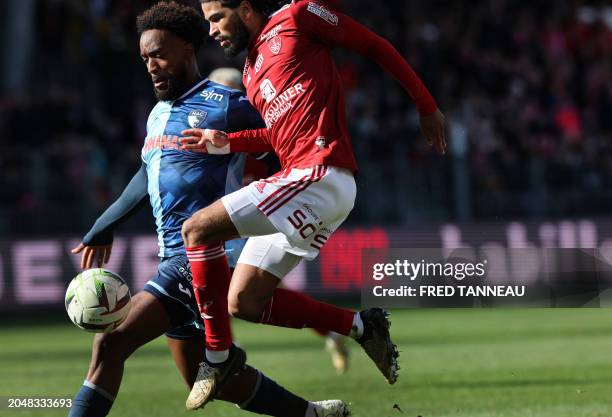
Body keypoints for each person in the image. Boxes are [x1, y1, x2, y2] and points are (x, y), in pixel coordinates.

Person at [67, 2, 348, 417]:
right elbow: (147, 177)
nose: (152, 66)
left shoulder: (227, 103)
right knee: (214, 380)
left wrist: (275, 183)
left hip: (207, 251)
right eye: (145, 58)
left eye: (160, 54)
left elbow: (288, 136)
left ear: (186, 49)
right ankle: (315, 415)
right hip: (176, 256)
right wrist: (104, 224)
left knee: (109, 343)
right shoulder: (158, 115)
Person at [179, 0, 444, 408]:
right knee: (243, 301)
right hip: (309, 182)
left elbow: (374, 45)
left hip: (319, 173)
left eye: (216, 18)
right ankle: (360, 327)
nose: (212, 30)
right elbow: (278, 136)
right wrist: (227, 143)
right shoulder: (250, 72)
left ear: (246, 9)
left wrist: (425, 105)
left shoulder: (298, 17)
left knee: (196, 229)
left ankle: (216, 356)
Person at [209, 66, 351, 375]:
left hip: (267, 214)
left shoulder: (266, 140)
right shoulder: (216, 142)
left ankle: (221, 355)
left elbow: (288, 173)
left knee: (241, 292)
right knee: (236, 292)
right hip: (237, 219)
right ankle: (335, 329)